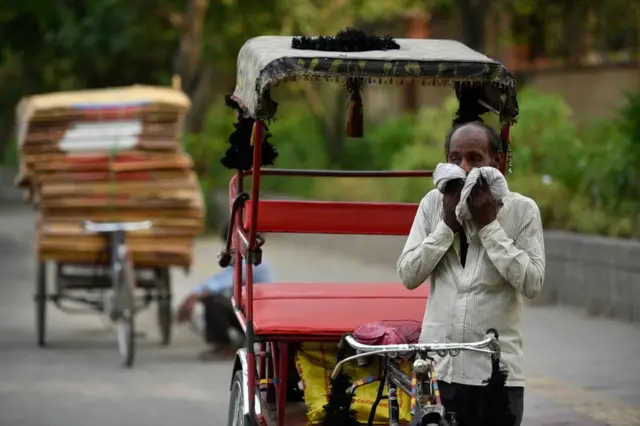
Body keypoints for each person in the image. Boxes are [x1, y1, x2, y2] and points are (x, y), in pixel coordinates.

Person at [397, 121, 545, 426]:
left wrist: (490, 227)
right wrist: (446, 227)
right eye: (455, 159)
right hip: (437, 373)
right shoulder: (432, 205)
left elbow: (532, 283)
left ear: (496, 162)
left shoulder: (522, 211)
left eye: (475, 159)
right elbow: (408, 274)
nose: (464, 169)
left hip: (496, 377)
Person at [177, 223, 272, 361]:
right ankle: (224, 343)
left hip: (257, 314)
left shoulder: (250, 260)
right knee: (216, 298)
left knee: (215, 301)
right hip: (250, 310)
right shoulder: (240, 257)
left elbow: (221, 285)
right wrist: (193, 296)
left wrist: (194, 299)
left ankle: (225, 346)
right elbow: (217, 280)